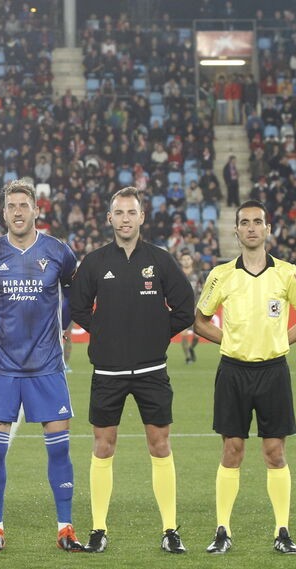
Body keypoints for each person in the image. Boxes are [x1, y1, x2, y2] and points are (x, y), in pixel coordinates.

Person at [70, 186, 195, 554]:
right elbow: (78, 308)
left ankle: (170, 530)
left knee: (160, 445)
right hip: (107, 371)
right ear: (110, 219)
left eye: (131, 213)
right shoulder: (94, 262)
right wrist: (104, 332)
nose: (125, 219)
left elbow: (185, 308)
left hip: (152, 370)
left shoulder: (160, 260)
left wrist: (156, 333)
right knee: (103, 446)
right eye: (119, 213)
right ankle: (98, 529)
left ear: (141, 217)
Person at [193, 200, 296, 555]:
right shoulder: (221, 275)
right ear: (235, 230)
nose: (251, 228)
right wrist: (228, 340)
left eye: (257, 222)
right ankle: (222, 530)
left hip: (273, 371)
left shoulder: (288, 273)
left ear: (268, 229)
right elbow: (200, 320)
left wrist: (280, 341)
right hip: (233, 371)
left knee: (275, 452)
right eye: (244, 222)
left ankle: (282, 531)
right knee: (232, 450)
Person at [0, 180, 84, 552]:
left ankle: (66, 527)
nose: (18, 212)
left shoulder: (58, 251)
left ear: (37, 209)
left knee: (58, 449)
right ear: (3, 212)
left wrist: (62, 325)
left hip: (47, 367)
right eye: (11, 207)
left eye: (24, 205)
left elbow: (74, 293)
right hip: (2, 369)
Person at [179, 251, 201, 364]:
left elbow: (204, 289)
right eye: (184, 259)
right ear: (180, 261)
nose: (186, 261)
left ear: (192, 261)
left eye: (188, 259)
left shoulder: (198, 274)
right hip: (182, 308)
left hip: (196, 308)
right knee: (183, 334)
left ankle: (191, 348)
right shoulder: (177, 273)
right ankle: (188, 357)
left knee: (197, 335)